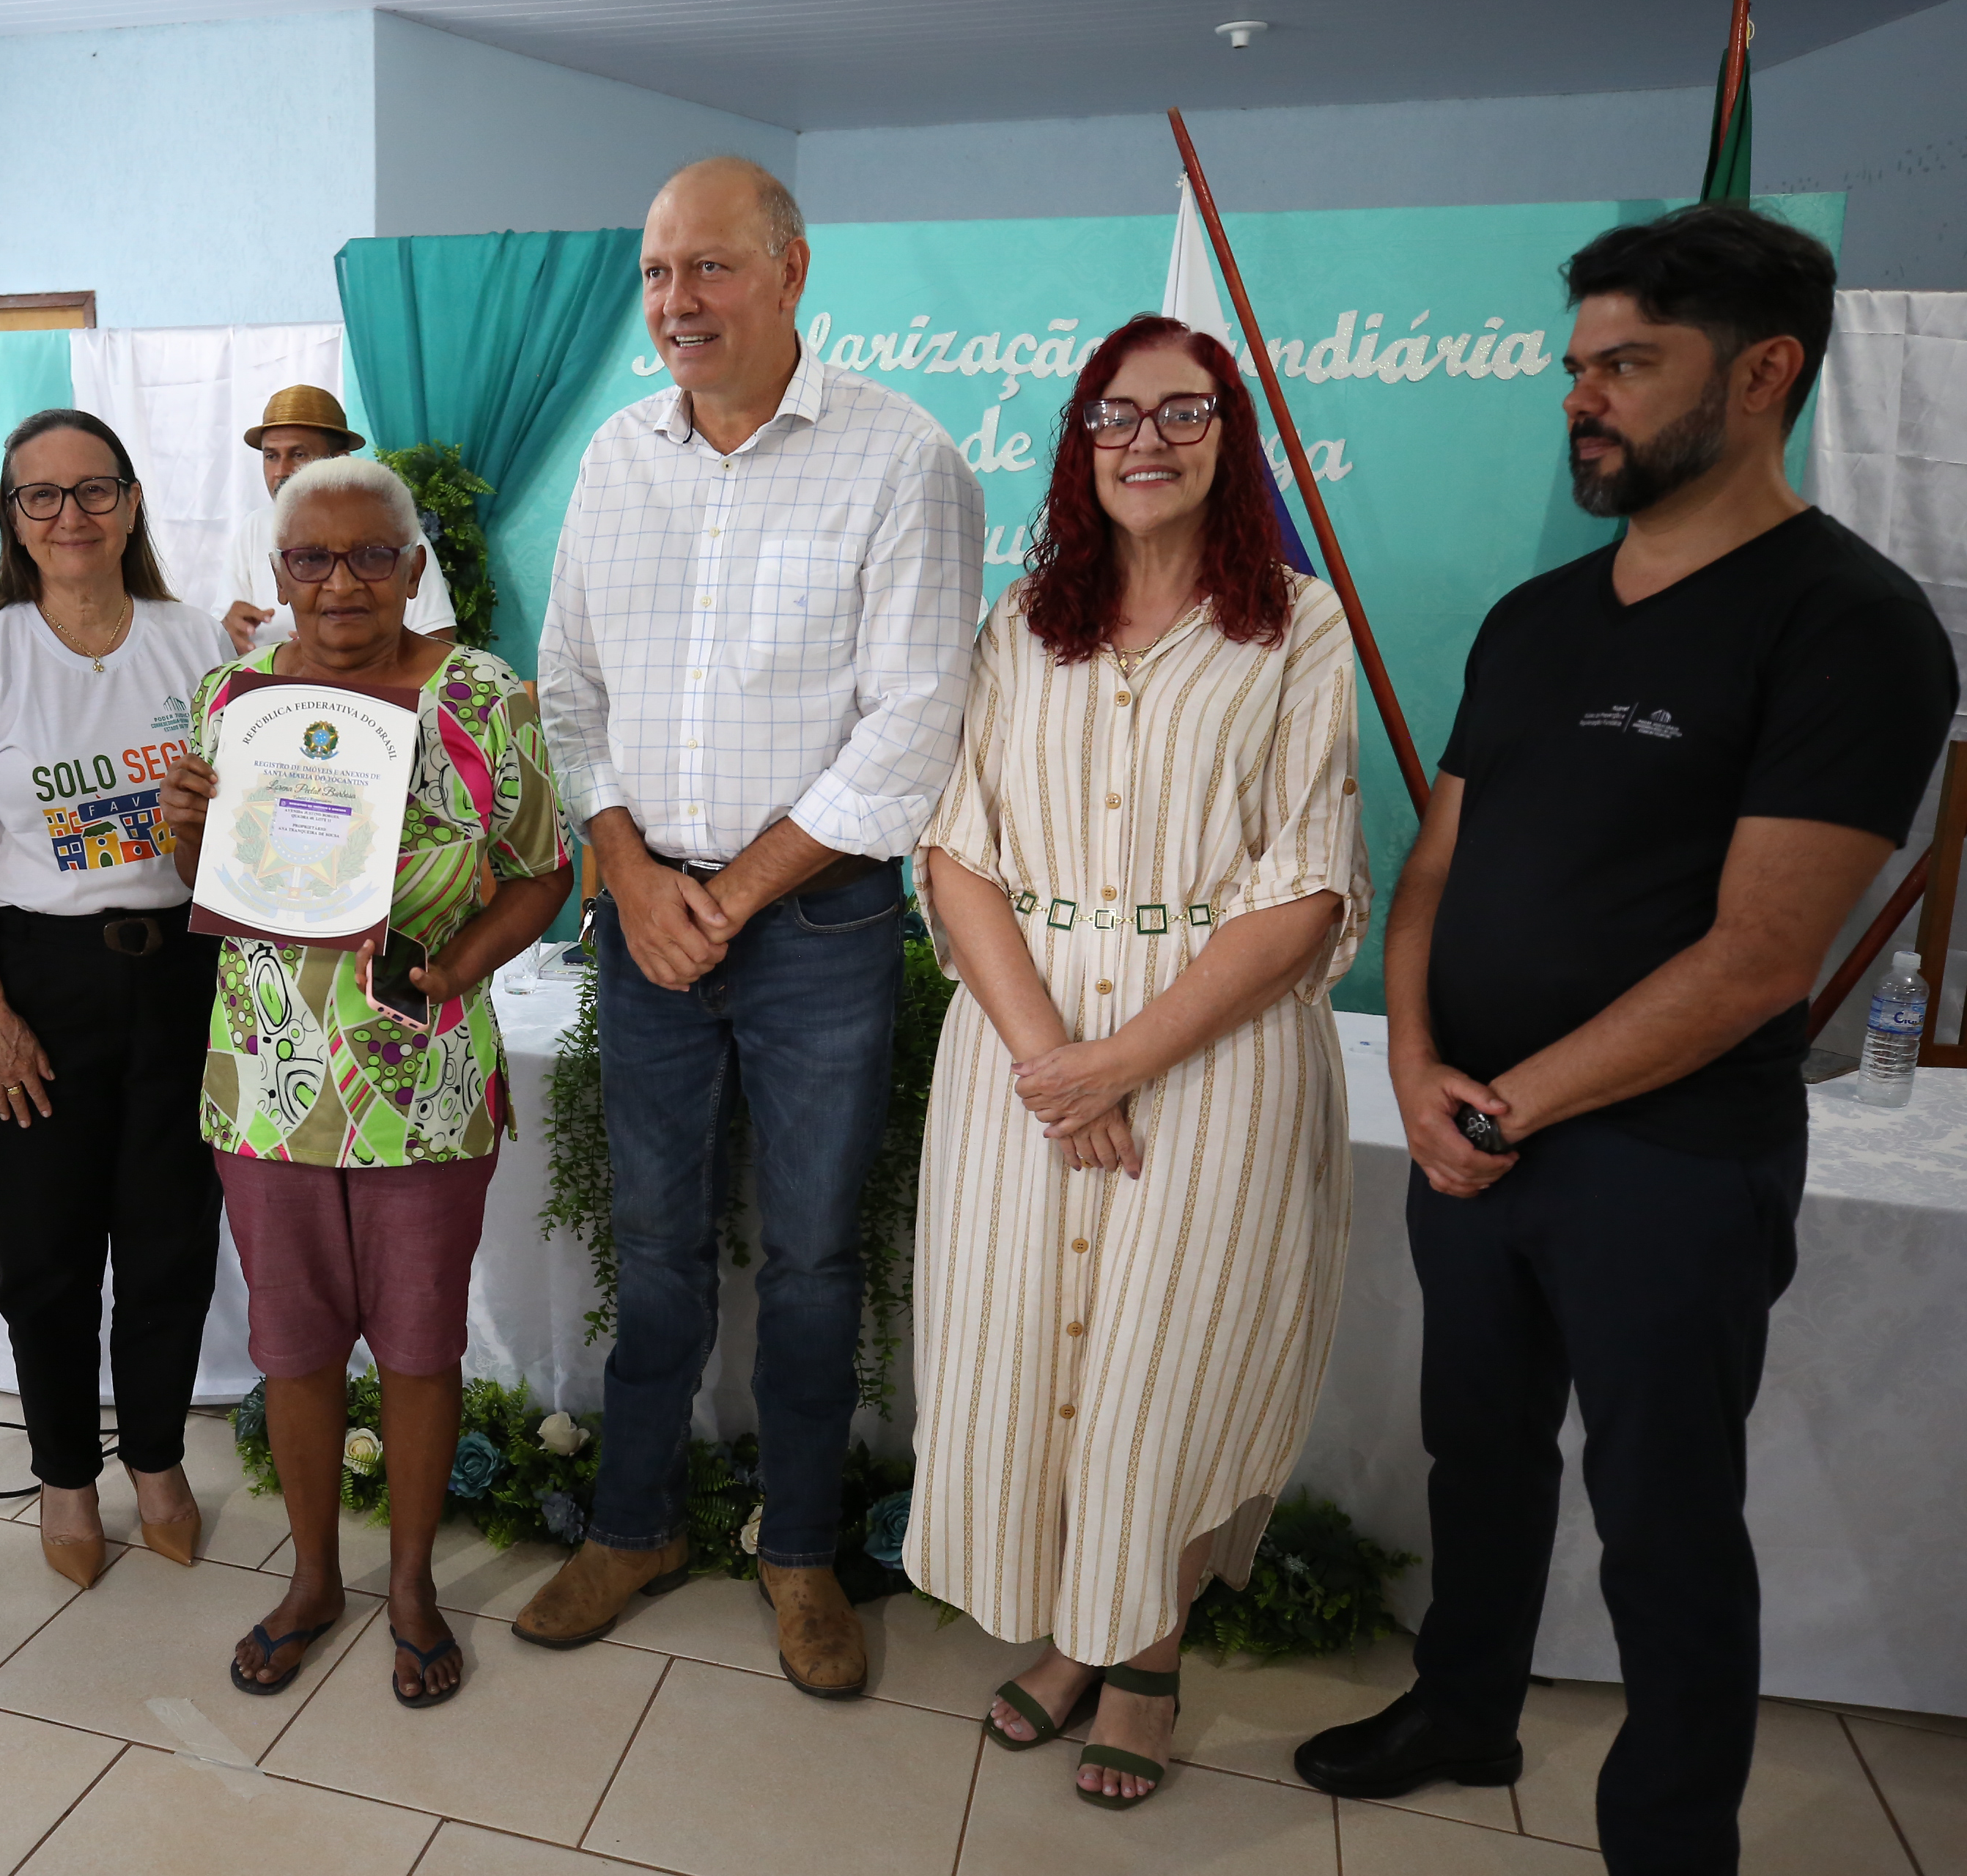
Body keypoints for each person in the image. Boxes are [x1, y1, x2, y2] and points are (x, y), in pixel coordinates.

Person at [1295, 205, 1955, 1873]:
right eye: (1575, 364)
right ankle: (1461, 1702)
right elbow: (1435, 859)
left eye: (1625, 365)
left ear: (1761, 372)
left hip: (1664, 1163)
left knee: (1665, 1519)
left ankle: (1668, 1838)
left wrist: (1501, 1104)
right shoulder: (1535, 618)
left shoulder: (1845, 624)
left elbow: (1753, 961)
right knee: (1477, 1451)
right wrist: (1414, 1061)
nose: (1580, 397)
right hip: (1474, 1130)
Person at [526, 157, 983, 1698]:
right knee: (652, 1247)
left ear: (792, 271)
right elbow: (568, 694)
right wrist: (631, 873)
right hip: (644, 912)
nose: (677, 303)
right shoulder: (614, 460)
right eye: (658, 274)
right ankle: (635, 1521)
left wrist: (730, 892)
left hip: (821, 929)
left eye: (710, 269)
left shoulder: (900, 462)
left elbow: (913, 727)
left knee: (808, 1261)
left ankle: (800, 1549)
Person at [908, 314, 1370, 1809]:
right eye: (1116, 415)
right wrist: (1056, 1059)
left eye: (1182, 413)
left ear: (1228, 440)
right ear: (1079, 442)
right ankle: (1072, 1628)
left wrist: (1125, 1060)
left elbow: (1305, 886)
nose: (1147, 441)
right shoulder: (1017, 627)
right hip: (1021, 1064)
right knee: (1026, 1349)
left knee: (1160, 1372)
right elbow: (956, 848)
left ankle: (1146, 1653)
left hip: (1211, 1063)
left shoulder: (1295, 629)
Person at [158, 454, 574, 1709]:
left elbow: (544, 870)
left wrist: (455, 974)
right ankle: (312, 1581)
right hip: (267, 1081)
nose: (339, 584)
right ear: (275, 572)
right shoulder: (232, 697)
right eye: (309, 559)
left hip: (423, 1074)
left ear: (410, 566)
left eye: (369, 556)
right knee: (290, 1349)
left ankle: (409, 1587)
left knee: (417, 1348)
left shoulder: (484, 699)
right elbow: (209, 886)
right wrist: (186, 821)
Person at [0, 409, 229, 1588]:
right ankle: (63, 1477)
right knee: (44, 1256)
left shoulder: (196, 647)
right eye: (41, 497)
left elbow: (233, 847)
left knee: (169, 1243)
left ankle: (153, 1459)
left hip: (185, 975)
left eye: (94, 491)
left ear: (133, 504)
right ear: (13, 520)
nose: (70, 516)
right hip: (33, 980)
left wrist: (202, 834)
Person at [217, 385, 457, 652]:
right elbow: (225, 630)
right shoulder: (254, 528)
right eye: (271, 456)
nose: (281, 471)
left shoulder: (392, 530)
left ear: (340, 459)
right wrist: (228, 630)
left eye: (299, 455)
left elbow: (440, 645)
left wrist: (343, 654)